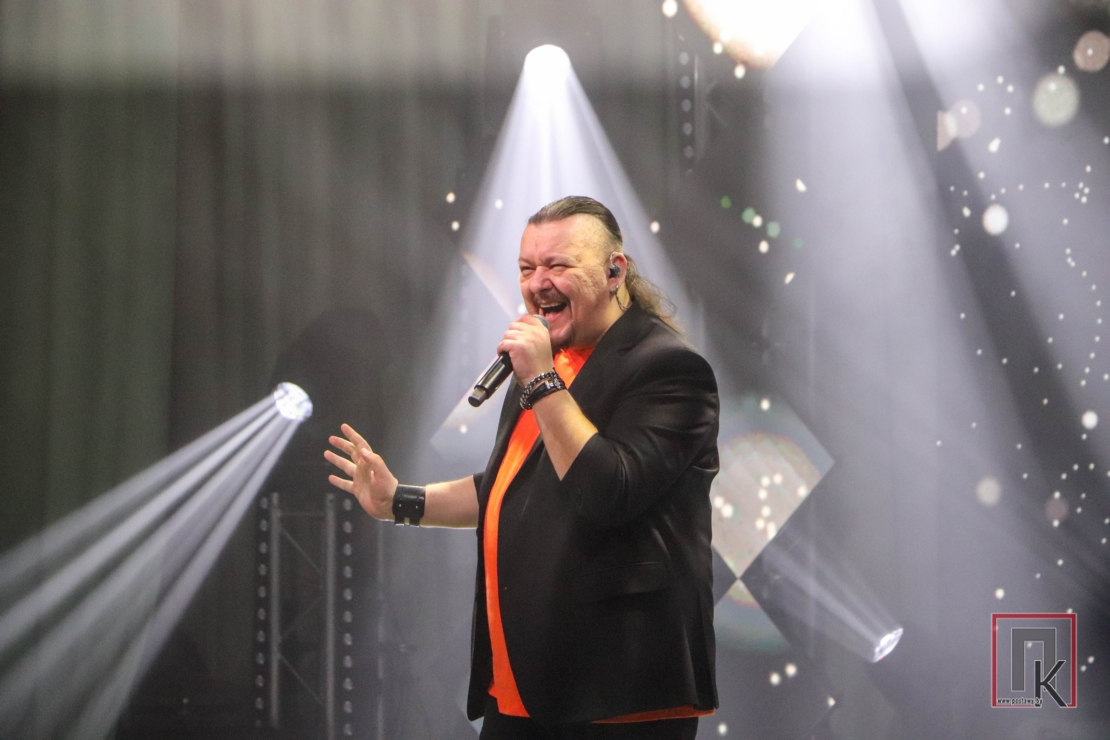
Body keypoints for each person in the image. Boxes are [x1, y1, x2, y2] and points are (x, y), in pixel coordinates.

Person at [325, 196, 719, 740]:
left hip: (617, 693)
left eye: (557, 266)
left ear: (614, 271)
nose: (538, 284)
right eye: (527, 268)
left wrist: (541, 381)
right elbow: (512, 486)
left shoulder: (667, 368)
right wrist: (399, 501)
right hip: (524, 685)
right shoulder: (545, 367)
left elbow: (608, 491)